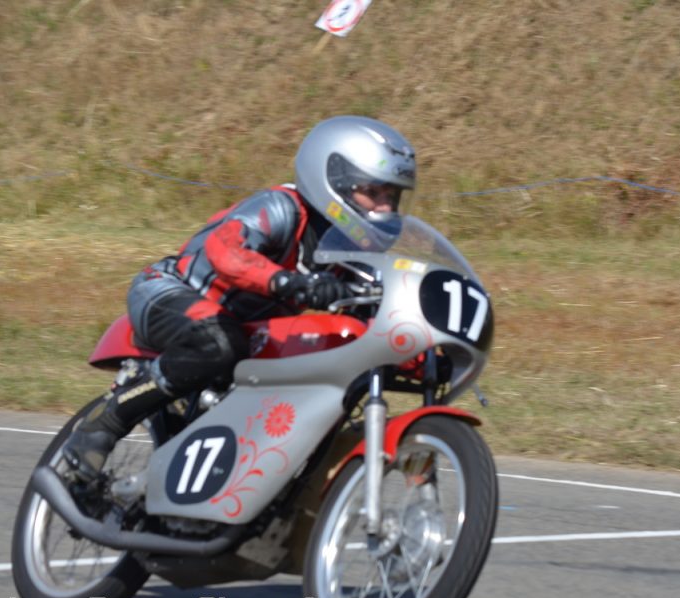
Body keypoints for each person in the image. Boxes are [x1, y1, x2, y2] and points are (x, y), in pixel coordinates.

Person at [63, 115, 418, 481]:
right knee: (219, 342)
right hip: (171, 291)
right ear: (334, 182)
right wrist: (286, 281)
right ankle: (105, 422)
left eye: (392, 198)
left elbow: (375, 315)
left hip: (245, 328)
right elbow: (225, 248)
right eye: (372, 192)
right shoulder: (281, 207)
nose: (385, 210)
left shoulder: (350, 256)